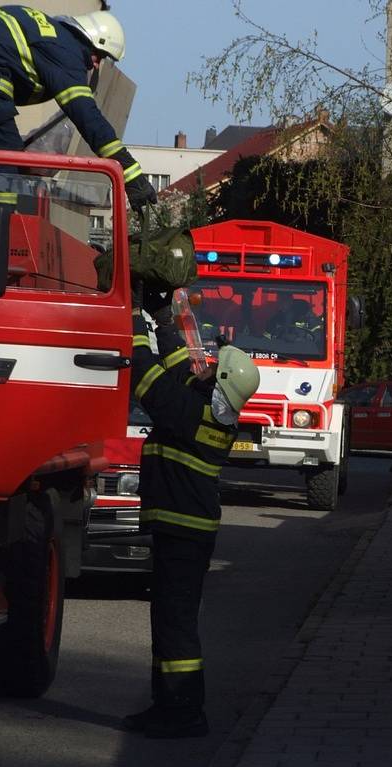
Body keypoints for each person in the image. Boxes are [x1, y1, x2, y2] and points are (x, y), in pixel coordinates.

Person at [124, 287, 260, 739]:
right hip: (184, 531)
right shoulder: (210, 410)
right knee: (169, 621)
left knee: (175, 624)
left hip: (183, 535)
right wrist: (166, 317)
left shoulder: (191, 413)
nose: (204, 372)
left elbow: (145, 378)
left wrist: (131, 317)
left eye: (213, 372)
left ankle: (183, 712)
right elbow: (185, 366)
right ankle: (168, 706)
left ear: (220, 385)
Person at [0, 8, 156, 212]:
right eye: (99, 56)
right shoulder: (68, 51)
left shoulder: (49, 32)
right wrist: (130, 174)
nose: (96, 64)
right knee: (8, 172)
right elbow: (88, 118)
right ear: (90, 39)